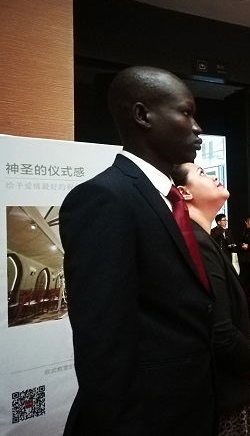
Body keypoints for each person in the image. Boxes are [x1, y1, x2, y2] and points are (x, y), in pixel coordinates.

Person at [59, 66, 216, 435]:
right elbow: (103, 341)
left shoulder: (166, 198)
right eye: (186, 113)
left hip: (187, 404)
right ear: (143, 116)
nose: (197, 128)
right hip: (148, 415)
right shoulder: (104, 197)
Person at [173, 163, 250, 435]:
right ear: (184, 192)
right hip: (219, 388)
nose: (214, 176)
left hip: (225, 382)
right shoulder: (196, 241)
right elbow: (219, 331)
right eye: (202, 173)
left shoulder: (202, 237)